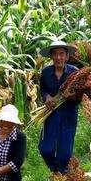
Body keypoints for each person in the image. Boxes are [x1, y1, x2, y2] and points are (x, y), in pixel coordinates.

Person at [38, 40, 80, 174]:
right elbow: (43, 90)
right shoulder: (45, 72)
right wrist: (46, 97)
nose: (58, 57)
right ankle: (55, 170)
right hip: (51, 114)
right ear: (51, 56)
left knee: (65, 153)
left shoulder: (75, 73)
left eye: (62, 54)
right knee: (45, 149)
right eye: (55, 54)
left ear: (67, 56)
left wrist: (71, 96)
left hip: (68, 115)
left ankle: (62, 174)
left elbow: (80, 96)